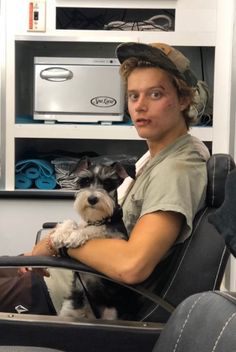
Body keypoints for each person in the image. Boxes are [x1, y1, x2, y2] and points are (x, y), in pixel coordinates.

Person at [0, 42, 210, 320]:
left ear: (184, 100)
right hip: (67, 275)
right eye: (133, 96)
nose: (140, 106)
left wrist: (59, 241)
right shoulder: (156, 157)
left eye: (155, 94)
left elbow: (132, 265)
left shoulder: (177, 169)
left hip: (73, 295)